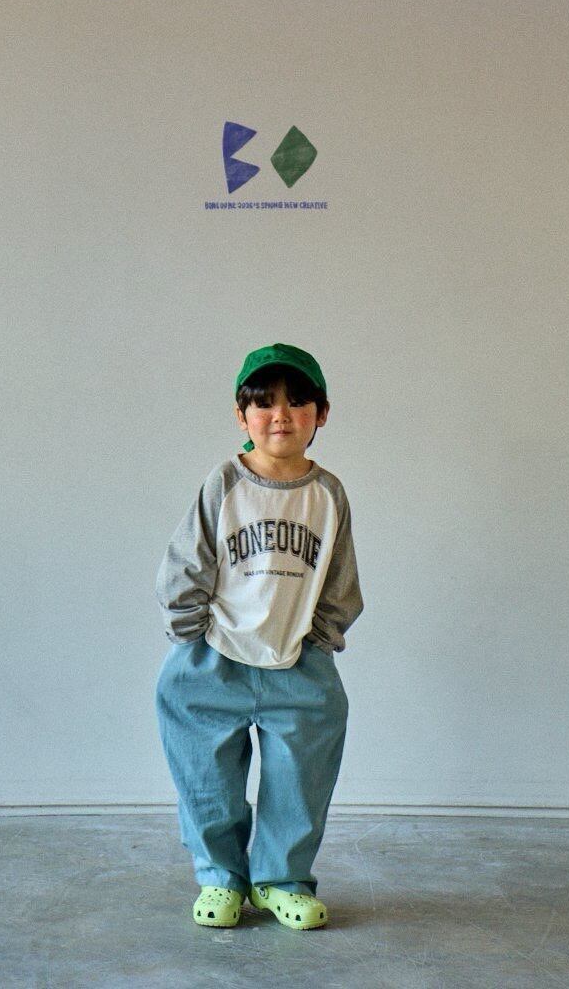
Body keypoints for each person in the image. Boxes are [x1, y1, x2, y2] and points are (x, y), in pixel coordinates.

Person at [154, 342, 364, 930]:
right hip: (213, 659)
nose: (281, 416)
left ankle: (281, 880)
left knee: (301, 780)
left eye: (298, 403)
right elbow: (187, 560)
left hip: (297, 660)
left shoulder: (328, 494)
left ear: (322, 414)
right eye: (264, 403)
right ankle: (220, 878)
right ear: (241, 415)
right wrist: (190, 634)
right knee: (207, 778)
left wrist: (321, 638)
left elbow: (340, 575)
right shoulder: (225, 483)